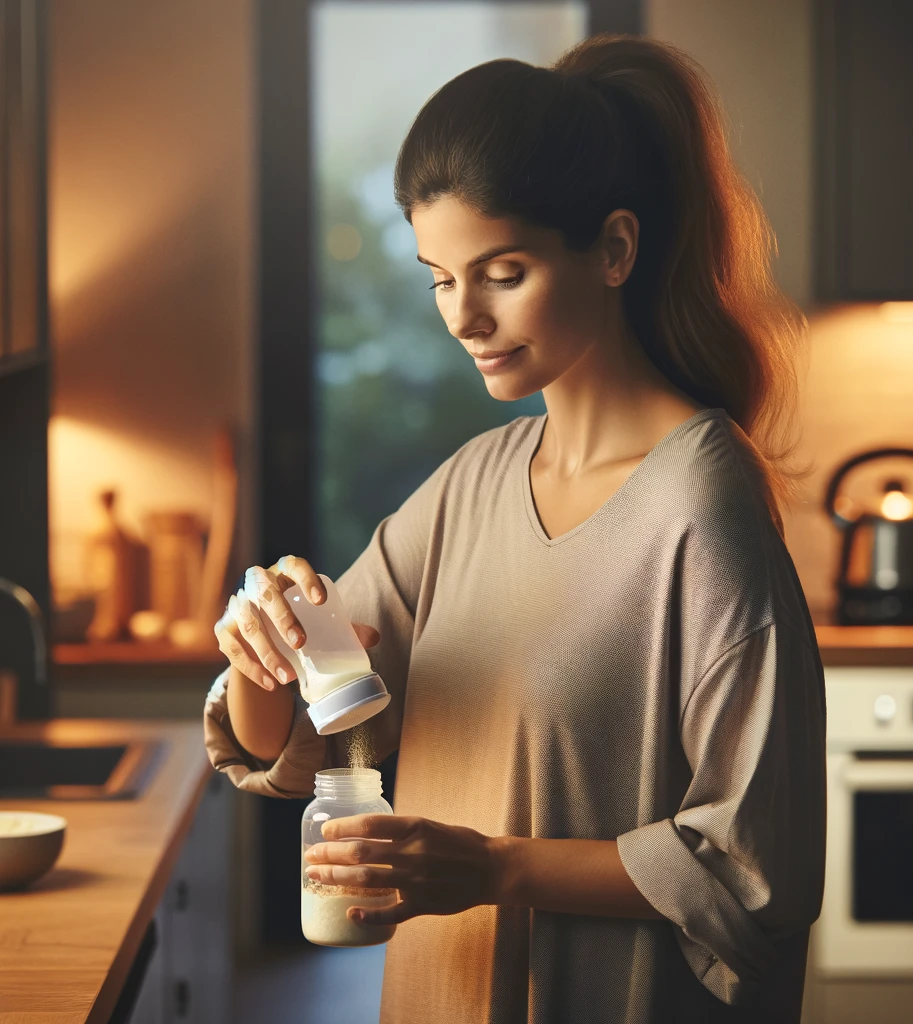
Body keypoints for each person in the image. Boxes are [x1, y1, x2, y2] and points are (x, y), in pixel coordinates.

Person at [203, 31, 826, 1024]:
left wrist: (492, 866)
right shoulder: (468, 488)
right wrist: (266, 651)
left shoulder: (700, 508)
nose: (462, 316)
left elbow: (755, 871)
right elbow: (307, 744)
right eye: (440, 277)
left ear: (614, 248)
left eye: (501, 270)